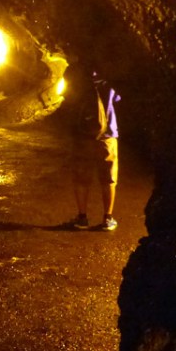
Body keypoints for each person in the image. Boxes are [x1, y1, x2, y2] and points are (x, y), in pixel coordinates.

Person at [68, 66, 121, 231]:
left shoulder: (77, 80)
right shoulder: (110, 83)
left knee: (81, 178)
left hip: (84, 137)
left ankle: (82, 218)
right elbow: (120, 100)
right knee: (108, 179)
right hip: (107, 136)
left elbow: (69, 104)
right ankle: (107, 219)